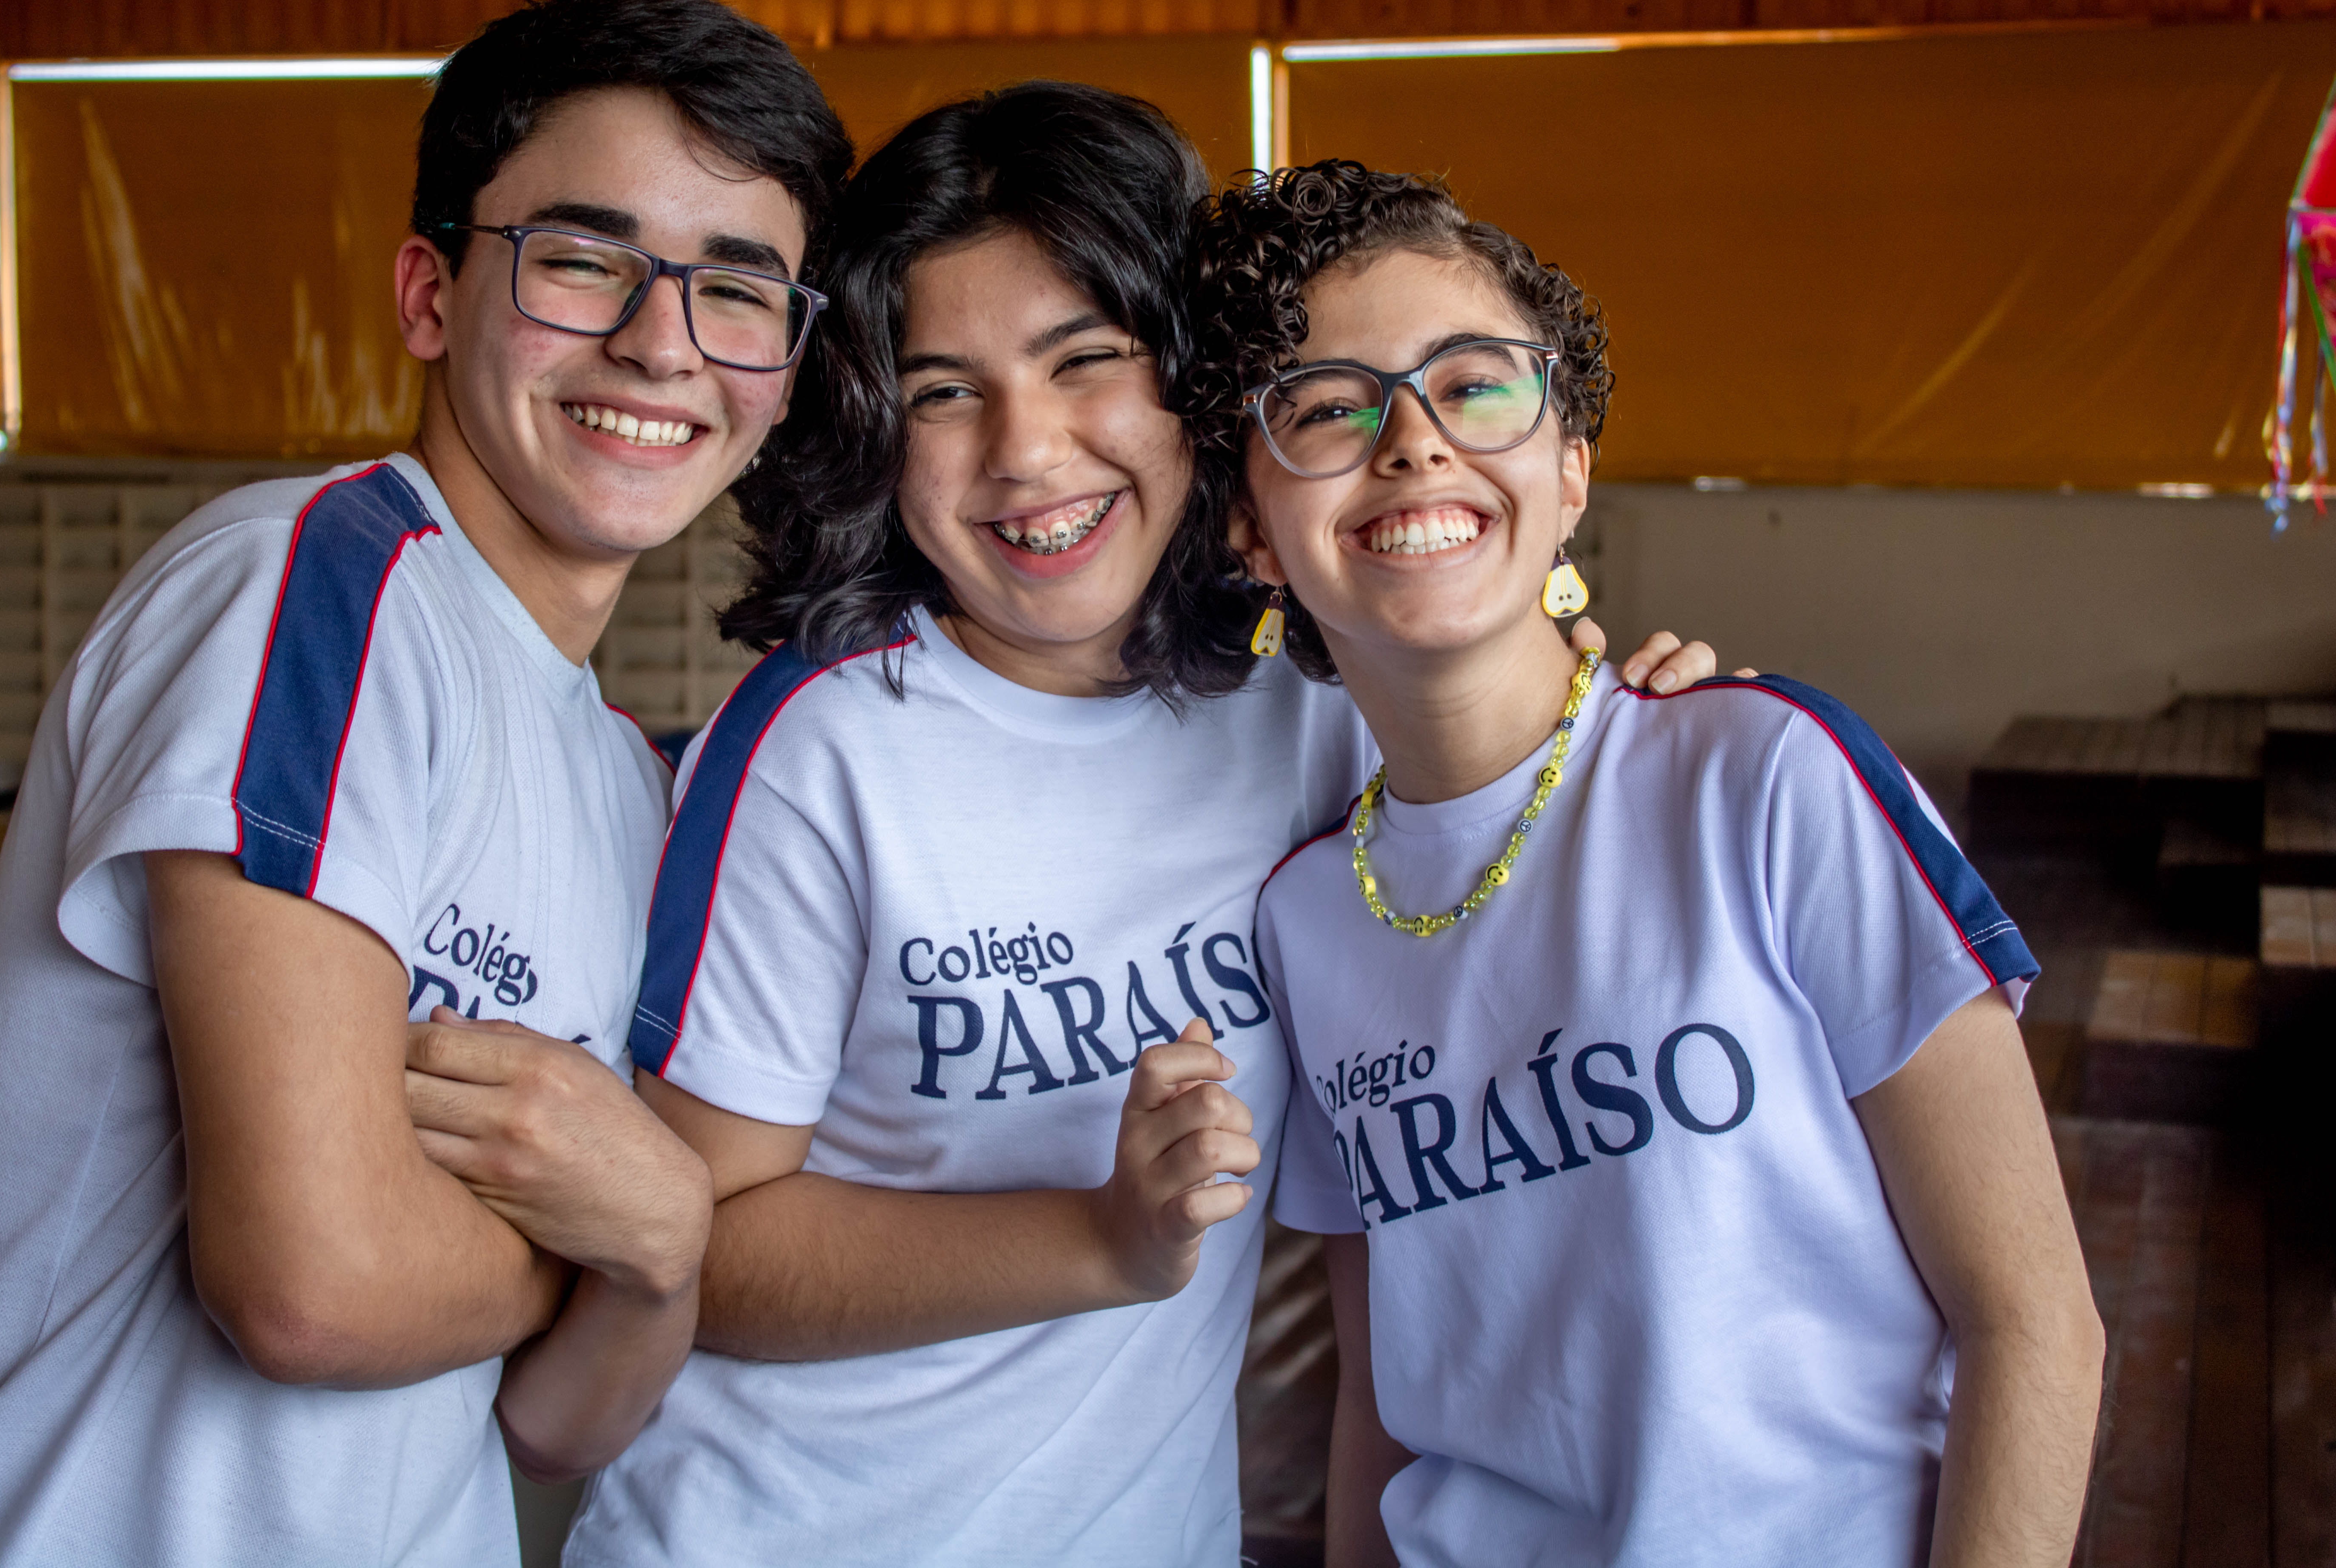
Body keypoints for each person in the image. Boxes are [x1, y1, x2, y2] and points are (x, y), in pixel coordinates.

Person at [419, 83, 1717, 1567]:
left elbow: (1521, 772)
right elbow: (696, 1248)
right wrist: (1098, 1240)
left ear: (1196, 386)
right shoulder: (820, 752)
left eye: (1085, 361)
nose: (1026, 455)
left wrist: (1633, 708)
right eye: (944, 392)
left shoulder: (1313, 719)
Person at [0, 0, 851, 1568]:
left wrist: (648, 1260)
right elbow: (311, 1284)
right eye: (580, 261)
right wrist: (647, 1235)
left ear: (781, 367)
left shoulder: (629, 788)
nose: (659, 343)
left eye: (735, 293)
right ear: (430, 292)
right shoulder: (313, 585)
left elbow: (559, 1423)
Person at [1184, 161, 2107, 1568]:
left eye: (1476, 384)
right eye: (1326, 407)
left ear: (1570, 467)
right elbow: (1382, 1402)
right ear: (1253, 529)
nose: (1415, 443)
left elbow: (2034, 1322)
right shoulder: (1306, 921)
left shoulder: (1769, 778)